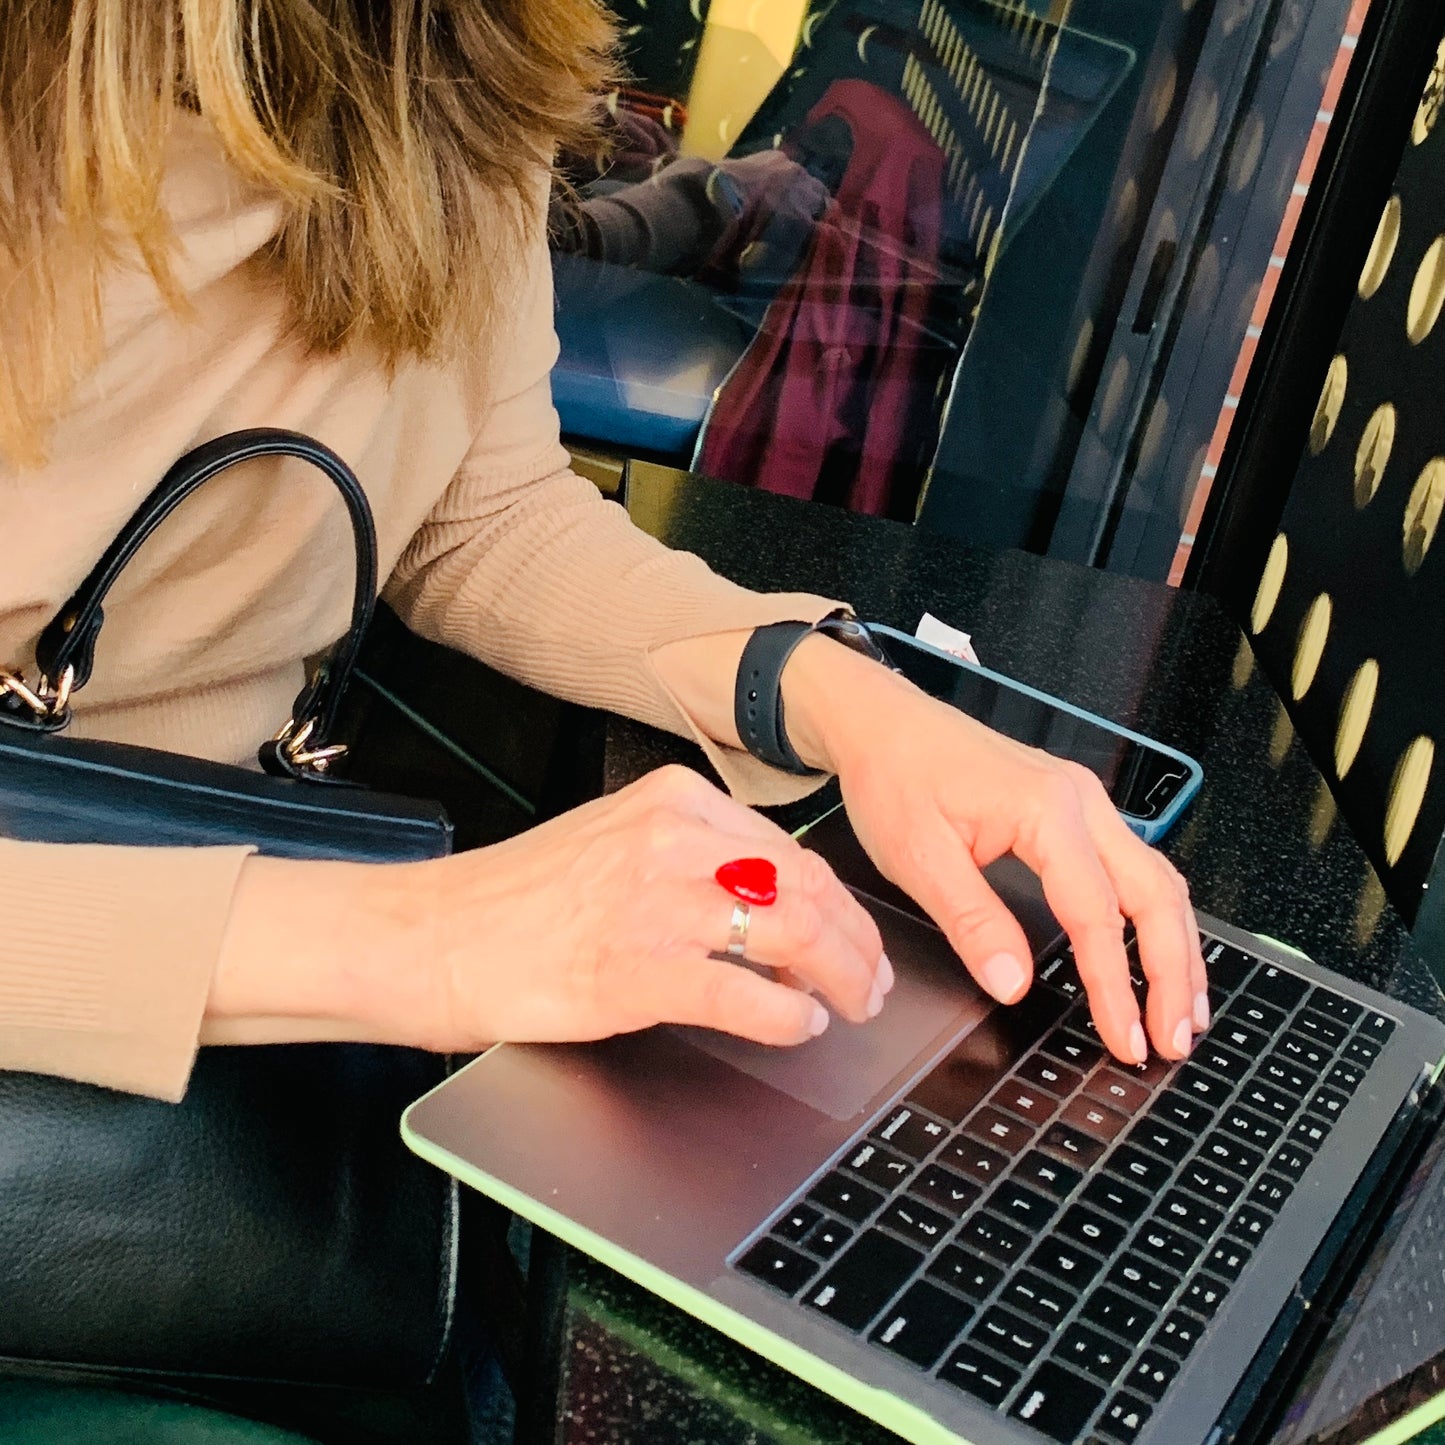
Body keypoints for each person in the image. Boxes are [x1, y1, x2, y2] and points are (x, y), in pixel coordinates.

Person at [0, 1, 1205, 1117]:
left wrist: (838, 694)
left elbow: (483, 514)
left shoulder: (456, 50)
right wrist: (434, 938)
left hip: (243, 923)